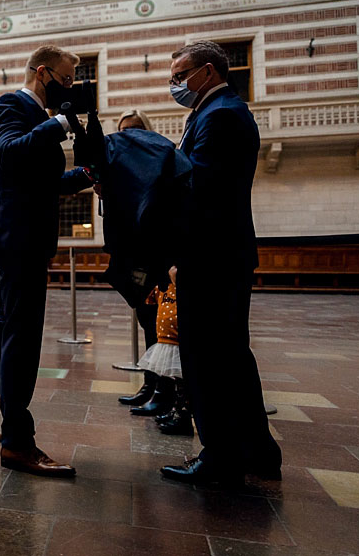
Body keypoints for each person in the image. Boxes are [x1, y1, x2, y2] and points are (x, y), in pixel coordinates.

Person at [160, 41, 281, 487]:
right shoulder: (218, 110)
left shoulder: (221, 114)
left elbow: (199, 185)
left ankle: (221, 457)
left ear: (207, 72)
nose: (175, 83)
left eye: (180, 75)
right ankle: (259, 452)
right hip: (220, 253)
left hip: (211, 255)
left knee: (206, 359)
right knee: (230, 357)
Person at [0, 45, 95, 477]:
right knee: (22, 339)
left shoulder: (40, 119)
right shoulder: (10, 105)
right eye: (65, 80)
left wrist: (86, 177)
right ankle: (17, 443)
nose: (69, 89)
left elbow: (40, 181)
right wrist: (61, 124)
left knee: (9, 330)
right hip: (17, 236)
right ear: (42, 72)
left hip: (23, 234)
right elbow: (9, 155)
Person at [111, 111, 169, 412]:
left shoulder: (159, 161)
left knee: (164, 327)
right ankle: (150, 384)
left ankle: (164, 392)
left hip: (156, 256)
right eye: (122, 132)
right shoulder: (122, 168)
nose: (128, 136)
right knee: (147, 322)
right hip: (135, 255)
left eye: (134, 130)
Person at [139, 266, 193, 436]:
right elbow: (149, 300)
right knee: (177, 378)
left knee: (184, 380)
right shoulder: (163, 286)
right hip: (165, 338)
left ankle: (182, 413)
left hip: (177, 338)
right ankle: (174, 409)